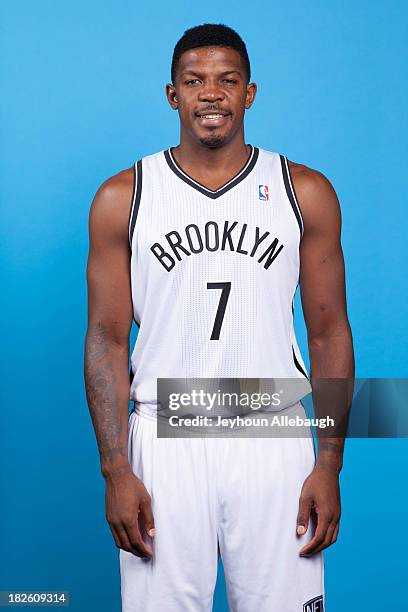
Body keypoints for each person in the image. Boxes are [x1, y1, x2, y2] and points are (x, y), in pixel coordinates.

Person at [84, 23, 354, 612]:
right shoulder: (122, 197)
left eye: (227, 80)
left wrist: (329, 462)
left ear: (249, 93)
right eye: (195, 80)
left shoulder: (302, 191)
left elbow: (330, 331)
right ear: (172, 94)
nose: (211, 93)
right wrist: (115, 469)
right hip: (164, 434)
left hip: (271, 432)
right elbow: (105, 340)